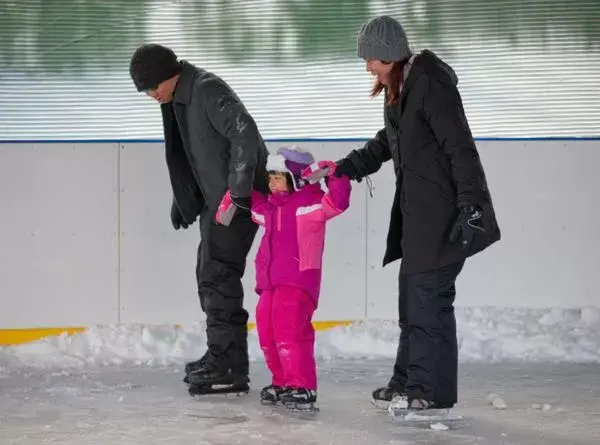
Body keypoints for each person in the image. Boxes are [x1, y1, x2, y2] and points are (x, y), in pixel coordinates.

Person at [334, 16, 501, 412]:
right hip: (418, 217)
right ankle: (407, 381)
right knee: (413, 304)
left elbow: (460, 146)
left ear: (391, 54)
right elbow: (387, 141)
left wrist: (472, 205)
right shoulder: (401, 90)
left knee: (428, 304)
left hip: (443, 216)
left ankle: (425, 390)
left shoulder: (430, 85)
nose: (368, 66)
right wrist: (349, 167)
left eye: (372, 58)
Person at [128, 44, 269, 395]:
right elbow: (193, 153)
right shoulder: (180, 96)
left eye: (149, 87)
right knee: (209, 275)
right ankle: (225, 358)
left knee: (218, 275)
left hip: (235, 200)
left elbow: (244, 133)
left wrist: (238, 192)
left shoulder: (206, 89)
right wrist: (185, 198)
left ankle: (227, 366)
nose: (149, 96)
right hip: (215, 200)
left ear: (165, 75)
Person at [217, 146, 351, 410]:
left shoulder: (310, 206)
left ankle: (302, 386)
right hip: (269, 282)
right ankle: (282, 382)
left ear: (296, 177)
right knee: (267, 331)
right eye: (270, 176)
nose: (272, 181)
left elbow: (338, 202)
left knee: (290, 331)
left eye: (278, 176)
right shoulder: (270, 208)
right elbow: (253, 206)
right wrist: (239, 189)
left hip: (297, 281)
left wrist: (335, 174)